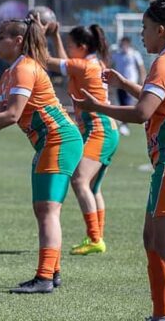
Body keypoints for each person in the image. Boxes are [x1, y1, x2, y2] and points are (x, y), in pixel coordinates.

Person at [72, 0, 165, 321]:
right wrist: (125, 83)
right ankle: (161, 315)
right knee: (151, 239)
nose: (141, 34)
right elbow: (157, 101)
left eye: (145, 27)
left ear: (161, 30)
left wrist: (94, 106)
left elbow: (141, 113)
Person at [0, 15, 83, 294]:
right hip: (49, 142)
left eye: (2, 37)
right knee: (44, 210)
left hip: (60, 140)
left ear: (18, 41)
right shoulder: (9, 73)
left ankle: (45, 277)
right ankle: (52, 272)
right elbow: (0, 117)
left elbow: (12, 116)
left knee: (48, 210)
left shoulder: (25, 68)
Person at [44, 23, 119, 255]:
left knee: (79, 180)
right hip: (104, 129)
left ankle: (95, 238)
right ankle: (96, 238)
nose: (66, 49)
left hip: (100, 129)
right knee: (92, 187)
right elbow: (66, 63)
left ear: (83, 47)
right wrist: (55, 35)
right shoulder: (91, 63)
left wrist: (37, 36)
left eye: (69, 45)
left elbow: (48, 62)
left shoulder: (84, 66)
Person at [110, 37, 146, 136]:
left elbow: (141, 67)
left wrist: (142, 79)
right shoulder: (116, 55)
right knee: (122, 102)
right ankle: (124, 123)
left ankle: (125, 124)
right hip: (119, 83)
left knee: (127, 102)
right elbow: (110, 65)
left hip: (131, 83)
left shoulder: (134, 54)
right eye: (122, 44)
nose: (124, 46)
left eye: (126, 44)